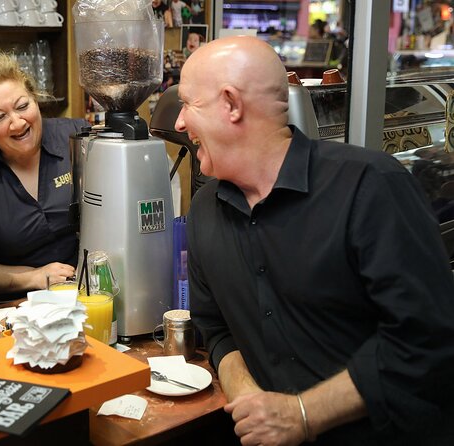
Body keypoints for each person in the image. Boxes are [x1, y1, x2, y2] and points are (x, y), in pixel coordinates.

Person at [176, 36, 454, 445]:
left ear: (231, 105)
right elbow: (215, 328)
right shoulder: (204, 210)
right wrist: (248, 396)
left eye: (187, 103)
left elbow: (427, 340)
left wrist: (302, 414)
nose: (180, 122)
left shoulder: (371, 185)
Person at [0, 53, 88, 306]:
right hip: (13, 306)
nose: (17, 123)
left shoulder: (76, 138)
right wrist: (35, 277)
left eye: (22, 106)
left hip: (84, 296)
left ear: (36, 101)